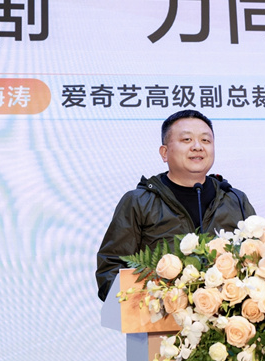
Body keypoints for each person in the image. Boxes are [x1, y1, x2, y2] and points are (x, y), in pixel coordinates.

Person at [95, 110, 255, 301]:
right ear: (165, 152)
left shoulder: (235, 199)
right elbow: (111, 269)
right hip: (158, 315)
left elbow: (257, 258)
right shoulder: (139, 201)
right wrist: (150, 301)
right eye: (187, 140)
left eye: (205, 140)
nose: (197, 147)